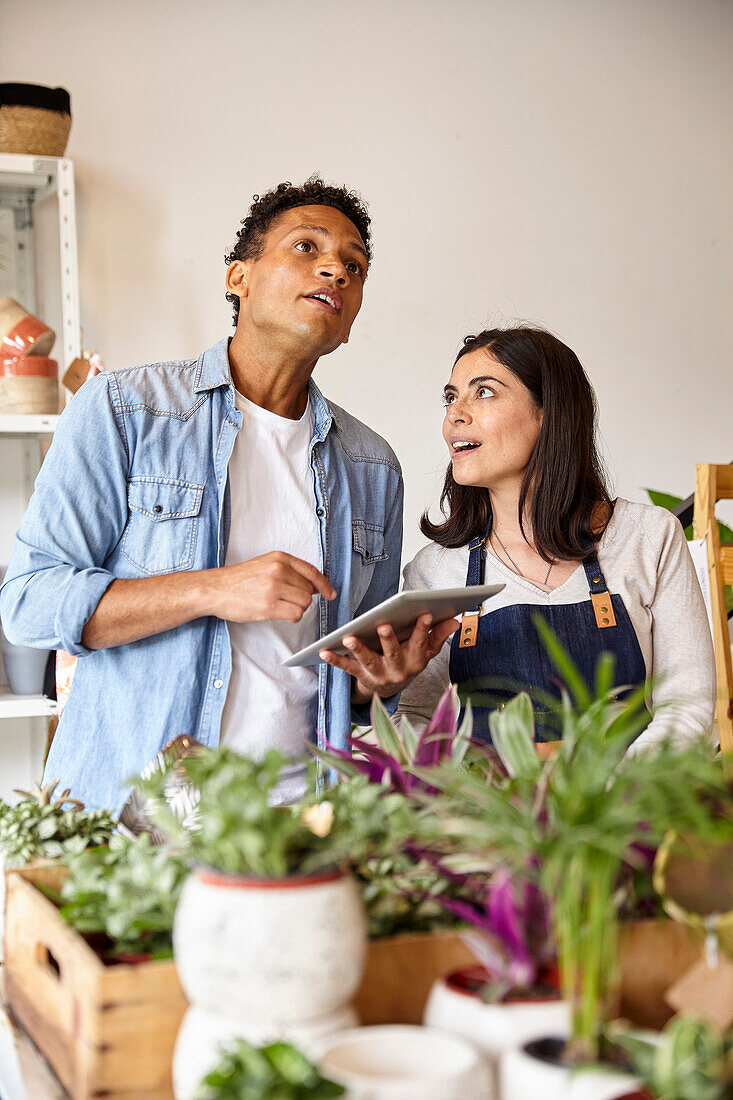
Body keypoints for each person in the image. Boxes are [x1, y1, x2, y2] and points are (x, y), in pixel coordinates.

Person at [0, 177, 454, 810]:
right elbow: (29, 602)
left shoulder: (372, 465)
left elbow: (352, 681)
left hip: (301, 819)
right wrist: (215, 587)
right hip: (140, 824)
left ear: (349, 322)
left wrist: (377, 683)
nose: (337, 270)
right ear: (238, 278)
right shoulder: (126, 411)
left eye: (355, 266)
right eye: (306, 247)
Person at [323, 326, 716, 749]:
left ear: (550, 412)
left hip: (626, 808)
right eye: (451, 397)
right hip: (490, 810)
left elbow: (686, 705)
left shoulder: (649, 537)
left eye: (484, 392)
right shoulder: (437, 569)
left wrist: (603, 797)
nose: (455, 414)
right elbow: (414, 715)